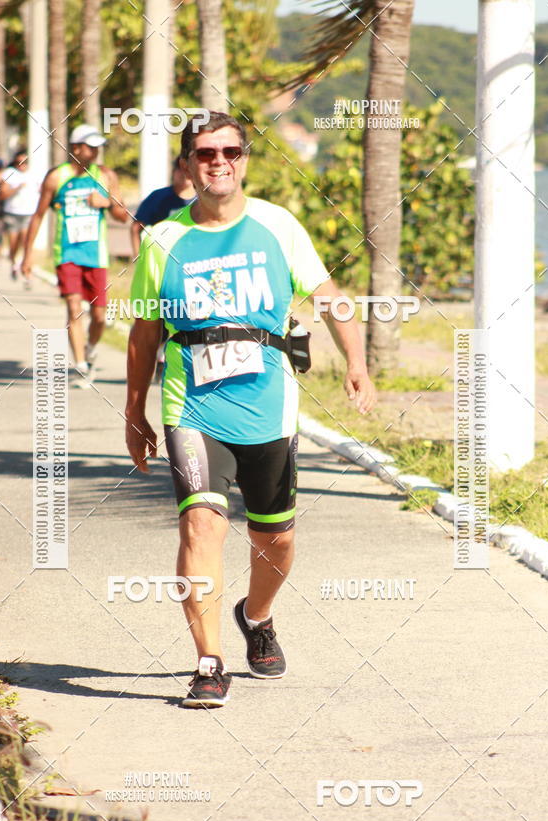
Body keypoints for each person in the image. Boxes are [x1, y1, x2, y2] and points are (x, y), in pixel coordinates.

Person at [125, 111, 377, 709]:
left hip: (268, 407)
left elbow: (330, 299)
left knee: (277, 540)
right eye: (205, 153)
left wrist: (357, 365)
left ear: (244, 159)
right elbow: (142, 331)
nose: (219, 162)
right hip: (193, 406)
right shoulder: (163, 239)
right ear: (187, 165)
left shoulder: (277, 226)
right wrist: (135, 410)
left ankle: (256, 615)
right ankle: (208, 662)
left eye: (230, 151)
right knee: (200, 524)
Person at [21, 125, 128, 387]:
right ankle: (80, 366)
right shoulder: (57, 177)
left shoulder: (106, 176)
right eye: (89, 147)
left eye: (97, 147)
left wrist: (107, 203)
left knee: (100, 316)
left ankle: (90, 349)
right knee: (73, 308)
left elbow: (123, 216)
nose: (94, 152)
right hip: (67, 252)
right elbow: (38, 216)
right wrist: (27, 256)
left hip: (96, 255)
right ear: (75, 148)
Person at [130, 156, 194, 259]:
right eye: (180, 168)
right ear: (173, 171)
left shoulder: (203, 199)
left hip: (192, 257)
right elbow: (136, 228)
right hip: (162, 258)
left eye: (188, 169)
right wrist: (138, 258)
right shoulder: (158, 197)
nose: (184, 174)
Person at [0, 149, 41, 282]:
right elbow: (2, 195)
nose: (22, 165)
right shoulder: (9, 174)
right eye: (19, 162)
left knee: (26, 242)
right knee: (14, 243)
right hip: (12, 213)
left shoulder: (35, 174)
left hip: (29, 213)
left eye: (24, 162)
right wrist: (16, 188)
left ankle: (26, 269)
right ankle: (14, 263)